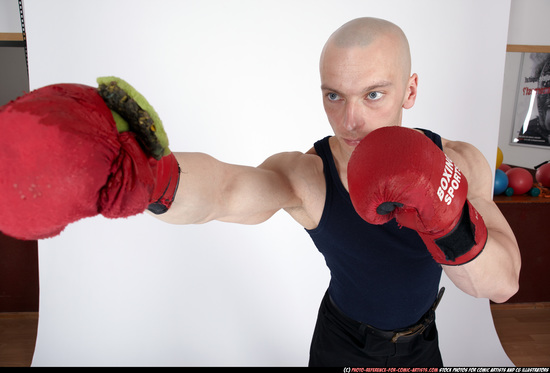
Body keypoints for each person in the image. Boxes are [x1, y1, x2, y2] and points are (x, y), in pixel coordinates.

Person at [0, 17, 520, 367]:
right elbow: (227, 188)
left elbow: (502, 284)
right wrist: (153, 178)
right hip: (340, 340)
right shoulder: (307, 177)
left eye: (374, 94)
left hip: (420, 344)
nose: (351, 119)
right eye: (333, 96)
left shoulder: (460, 161)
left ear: (409, 90)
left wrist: (446, 219)